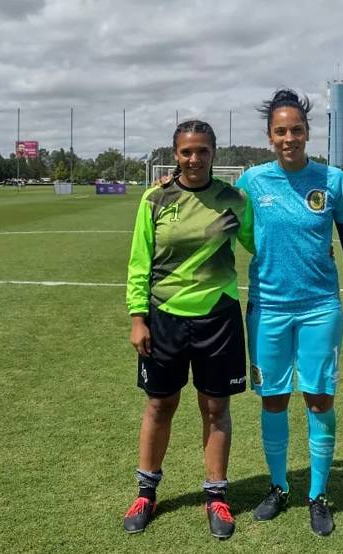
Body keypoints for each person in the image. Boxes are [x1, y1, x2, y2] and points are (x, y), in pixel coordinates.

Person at [236, 89, 343, 537]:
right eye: (280, 131)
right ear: (269, 136)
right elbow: (214, 210)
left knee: (318, 398)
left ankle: (318, 494)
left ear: (308, 132)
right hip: (267, 309)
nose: (288, 137)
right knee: (273, 399)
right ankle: (278, 488)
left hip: (319, 309)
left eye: (296, 129)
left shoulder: (333, 180)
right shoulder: (252, 181)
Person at [124, 120, 254, 539]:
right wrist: (138, 317)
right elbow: (139, 262)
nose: (194, 159)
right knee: (160, 406)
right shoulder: (155, 198)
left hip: (218, 316)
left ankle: (216, 495)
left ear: (214, 153)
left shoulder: (234, 200)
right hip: (164, 318)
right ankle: (146, 492)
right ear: (175, 154)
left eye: (202, 151)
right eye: (186, 152)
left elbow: (261, 243)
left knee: (216, 409)